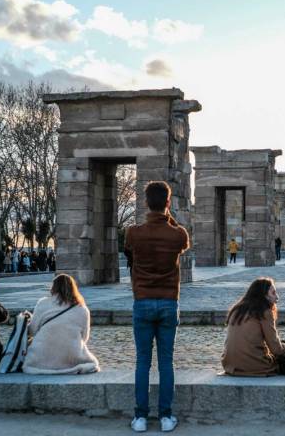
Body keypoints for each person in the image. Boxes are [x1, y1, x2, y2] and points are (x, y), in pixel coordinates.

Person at [124, 181, 190, 433]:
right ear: (168, 203)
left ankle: (140, 417)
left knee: (142, 361)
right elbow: (181, 244)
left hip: (142, 301)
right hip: (168, 301)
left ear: (145, 203)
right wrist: (167, 216)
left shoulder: (133, 233)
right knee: (166, 362)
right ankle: (165, 416)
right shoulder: (178, 234)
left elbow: (130, 252)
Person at [23, 274, 99, 374]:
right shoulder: (82, 309)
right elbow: (84, 338)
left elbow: (32, 331)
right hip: (72, 356)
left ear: (53, 288)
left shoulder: (42, 303)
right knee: (93, 362)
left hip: (41, 357)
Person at [221, 277, 285, 376]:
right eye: (273, 293)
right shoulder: (264, 311)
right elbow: (276, 349)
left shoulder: (237, 309)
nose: (277, 297)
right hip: (254, 366)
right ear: (264, 296)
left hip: (230, 365)